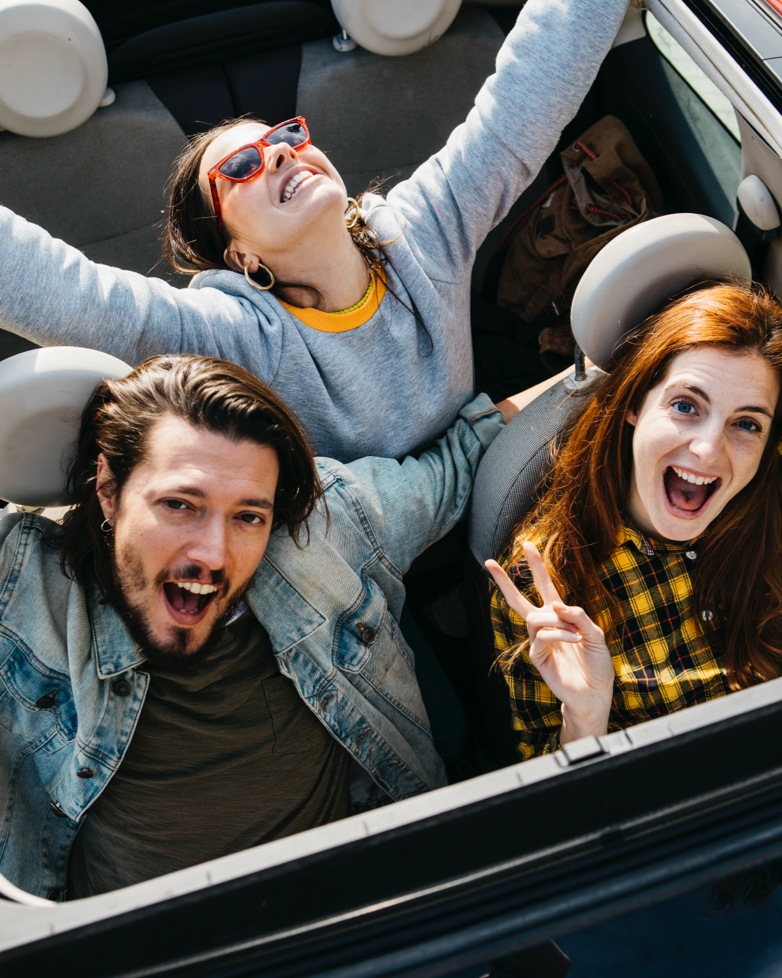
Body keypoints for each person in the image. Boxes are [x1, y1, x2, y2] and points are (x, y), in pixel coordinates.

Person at [0, 353, 546, 901]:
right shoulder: (20, 583)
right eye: (179, 504)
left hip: (363, 920)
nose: (214, 554)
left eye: (248, 516)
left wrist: (607, 351)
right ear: (108, 490)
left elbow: (462, 455)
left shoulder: (324, 533)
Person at [0, 0, 633, 464]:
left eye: (286, 137)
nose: (278, 153)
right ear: (238, 254)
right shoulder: (225, 336)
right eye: (241, 166)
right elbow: (58, 286)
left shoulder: (422, 233)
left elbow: (522, 102)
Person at [487, 282, 782, 760]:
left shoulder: (770, 516)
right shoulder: (548, 578)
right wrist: (586, 715)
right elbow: (555, 807)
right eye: (686, 406)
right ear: (633, 405)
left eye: (747, 423)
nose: (708, 450)